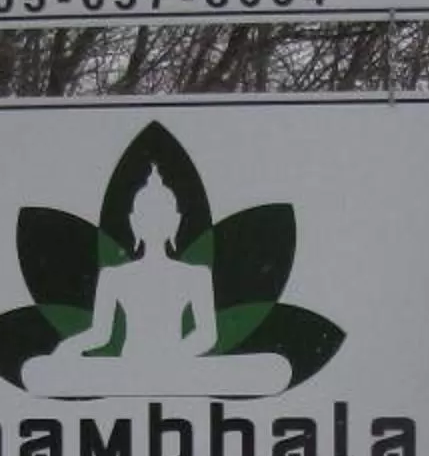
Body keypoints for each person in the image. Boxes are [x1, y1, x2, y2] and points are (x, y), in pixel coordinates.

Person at [21, 168, 287, 396]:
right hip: (129, 368)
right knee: (41, 372)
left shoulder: (195, 275)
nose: (154, 224)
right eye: (148, 217)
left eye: (161, 217)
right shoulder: (115, 276)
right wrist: (68, 348)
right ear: (134, 222)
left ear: (175, 221)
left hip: (178, 365)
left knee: (271, 369)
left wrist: (169, 357)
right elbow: (101, 334)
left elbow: (207, 335)